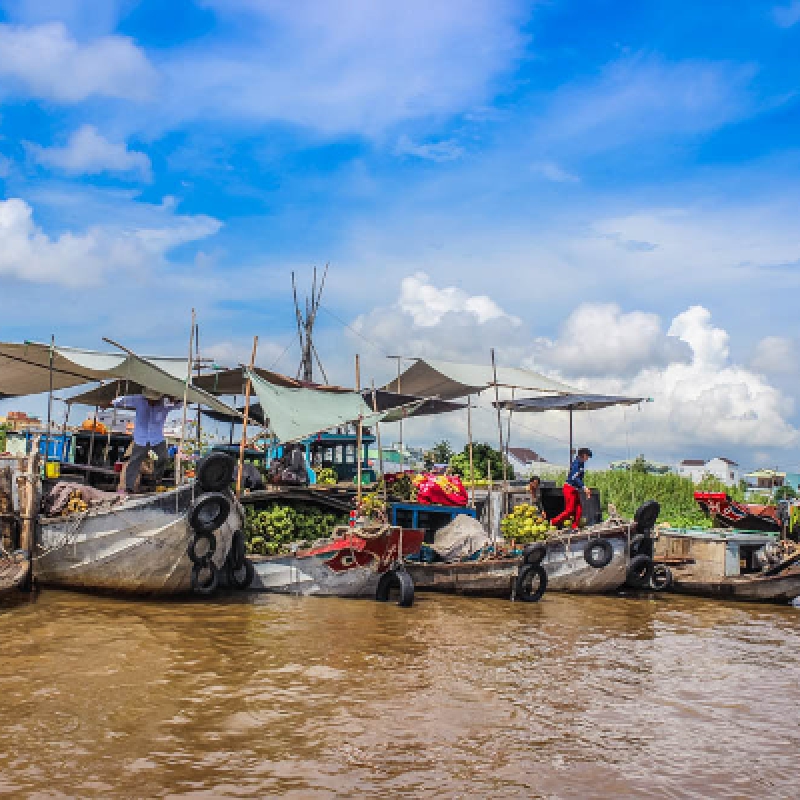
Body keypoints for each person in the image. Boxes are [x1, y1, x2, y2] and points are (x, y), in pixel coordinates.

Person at [112, 390, 181, 494]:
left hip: (157, 438)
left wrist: (175, 400)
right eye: (149, 400)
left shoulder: (165, 403)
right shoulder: (139, 399)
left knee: (163, 457)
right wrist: (113, 402)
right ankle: (129, 486)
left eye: (154, 400)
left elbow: (178, 406)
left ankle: (156, 478)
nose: (151, 402)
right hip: (141, 438)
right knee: (135, 461)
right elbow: (124, 400)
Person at [551, 448, 592, 529]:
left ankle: (575, 526)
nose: (588, 458)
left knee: (579, 509)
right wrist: (584, 488)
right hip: (569, 488)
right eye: (587, 456)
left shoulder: (581, 463)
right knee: (569, 510)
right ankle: (553, 521)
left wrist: (582, 487)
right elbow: (575, 478)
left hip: (574, 489)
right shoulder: (576, 464)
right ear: (583, 455)